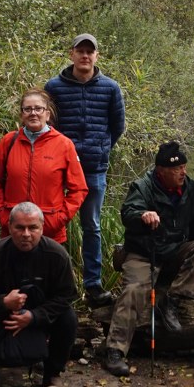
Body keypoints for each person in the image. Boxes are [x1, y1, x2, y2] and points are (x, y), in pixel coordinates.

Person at [102, 142, 194, 377]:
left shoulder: (191, 188)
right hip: (144, 252)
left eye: (184, 167)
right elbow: (127, 213)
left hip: (173, 251)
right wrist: (143, 215)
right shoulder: (142, 186)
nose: (182, 172)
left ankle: (169, 300)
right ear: (160, 170)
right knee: (133, 290)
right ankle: (115, 351)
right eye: (176, 169)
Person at [0, 201, 80, 387]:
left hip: (40, 314)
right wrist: (3, 302)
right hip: (1, 316)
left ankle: (53, 373)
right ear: (9, 227)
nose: (26, 234)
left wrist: (34, 316)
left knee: (69, 319)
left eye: (33, 228)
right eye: (20, 228)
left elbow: (66, 297)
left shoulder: (57, 255)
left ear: (42, 228)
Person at [44, 34, 125, 306]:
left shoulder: (110, 88)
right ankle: (56, 283)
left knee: (92, 226)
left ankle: (93, 285)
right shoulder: (53, 86)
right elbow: (48, 124)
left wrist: (101, 148)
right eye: (81, 51)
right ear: (72, 54)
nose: (85, 56)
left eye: (90, 52)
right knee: (55, 223)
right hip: (58, 167)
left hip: (93, 167)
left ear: (96, 56)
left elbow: (117, 127)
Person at [0, 89, 89, 259]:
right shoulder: (8, 142)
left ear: (47, 114)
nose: (33, 113)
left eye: (38, 109)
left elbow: (79, 189)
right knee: (11, 280)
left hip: (50, 230)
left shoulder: (64, 144)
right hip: (14, 229)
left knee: (48, 281)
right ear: (21, 114)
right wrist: (5, 217)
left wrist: (58, 219)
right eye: (28, 109)